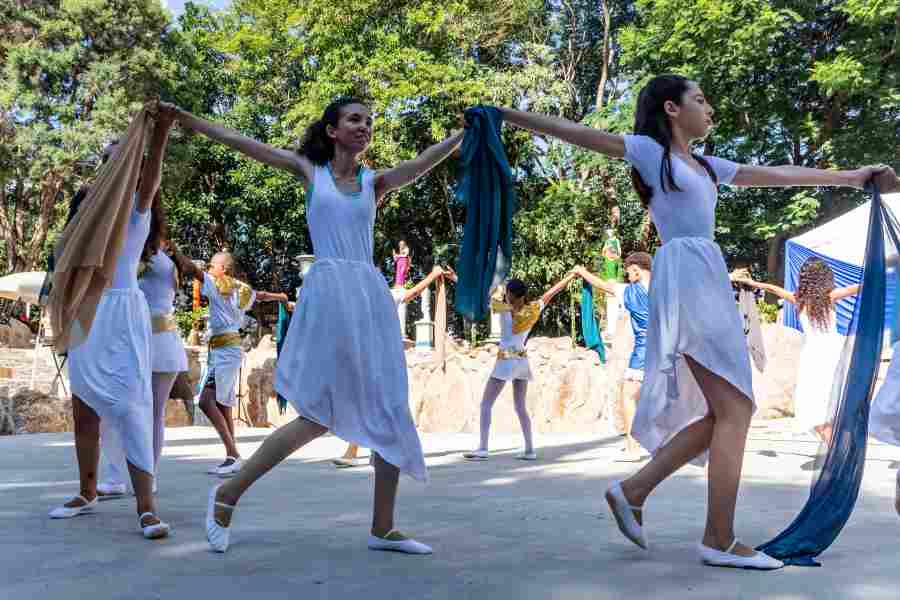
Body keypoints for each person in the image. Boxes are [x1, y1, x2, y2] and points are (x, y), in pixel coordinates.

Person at [496, 74, 896, 569]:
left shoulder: (707, 166)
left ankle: (634, 491)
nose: (709, 108)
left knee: (728, 410)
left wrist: (853, 177)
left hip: (706, 275)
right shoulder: (649, 152)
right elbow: (576, 133)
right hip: (686, 276)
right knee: (736, 407)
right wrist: (507, 114)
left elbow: (778, 174)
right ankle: (718, 538)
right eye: (700, 99)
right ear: (670, 108)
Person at [171, 96, 466, 554]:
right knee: (317, 415)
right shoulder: (312, 173)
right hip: (329, 296)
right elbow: (241, 142)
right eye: (354, 119)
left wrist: (468, 133)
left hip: (367, 298)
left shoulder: (375, 182)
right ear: (332, 129)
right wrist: (187, 118)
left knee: (389, 404)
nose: (364, 126)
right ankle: (227, 495)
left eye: (369, 120)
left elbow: (424, 162)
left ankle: (382, 527)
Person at [49, 102, 176, 539]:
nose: (117, 170)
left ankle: (146, 506)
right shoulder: (87, 212)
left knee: (132, 407)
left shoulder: (139, 211)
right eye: (111, 161)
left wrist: (160, 131)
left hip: (123, 311)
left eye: (125, 163)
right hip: (87, 312)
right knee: (83, 407)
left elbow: (153, 171)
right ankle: (87, 492)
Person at [97, 196, 190, 498]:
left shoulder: (152, 257)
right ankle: (128, 475)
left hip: (153, 338)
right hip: (142, 338)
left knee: (135, 411)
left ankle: (134, 476)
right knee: (131, 410)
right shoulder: (158, 256)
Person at [170, 251, 285, 476]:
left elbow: (193, 270)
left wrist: (173, 251)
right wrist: (279, 296)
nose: (210, 268)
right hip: (228, 349)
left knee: (205, 401)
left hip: (224, 350)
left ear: (223, 268)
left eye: (213, 265)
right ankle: (232, 457)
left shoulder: (215, 283)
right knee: (223, 403)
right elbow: (260, 295)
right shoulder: (241, 288)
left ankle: (232, 453)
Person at [334, 265, 456, 468]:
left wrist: (433, 275)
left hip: (381, 360)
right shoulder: (366, 299)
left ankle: (362, 451)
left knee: (375, 406)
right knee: (372, 406)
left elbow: (414, 292)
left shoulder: (379, 297)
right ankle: (369, 451)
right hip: (374, 360)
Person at [731, 260, 858, 443]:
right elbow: (855, 288)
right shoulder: (830, 297)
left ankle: (834, 445)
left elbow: (773, 289)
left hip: (814, 354)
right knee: (832, 398)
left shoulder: (798, 299)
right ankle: (838, 443)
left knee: (814, 403)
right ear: (824, 279)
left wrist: (752, 284)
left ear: (804, 279)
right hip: (834, 351)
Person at [462, 273, 576, 461]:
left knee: (486, 404)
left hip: (506, 358)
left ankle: (482, 448)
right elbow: (551, 293)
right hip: (522, 359)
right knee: (520, 407)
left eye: (507, 292)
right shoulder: (532, 309)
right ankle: (530, 450)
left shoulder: (504, 308)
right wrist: (571, 276)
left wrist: (456, 278)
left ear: (510, 294)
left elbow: (478, 295)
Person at [572, 252, 653, 461]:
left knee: (627, 396)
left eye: (628, 271)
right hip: (667, 349)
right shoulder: (666, 287)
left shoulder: (631, 291)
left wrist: (582, 271)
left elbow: (603, 285)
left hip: (644, 350)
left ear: (636, 269)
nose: (627, 275)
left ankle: (632, 447)